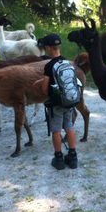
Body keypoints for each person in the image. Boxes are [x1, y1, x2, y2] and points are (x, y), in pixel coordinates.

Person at [33, 33, 79, 170]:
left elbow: (45, 89)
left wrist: (42, 85)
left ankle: (58, 158)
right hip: (69, 101)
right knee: (69, 127)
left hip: (57, 105)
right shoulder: (67, 62)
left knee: (56, 130)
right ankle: (73, 157)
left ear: (48, 48)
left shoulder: (49, 66)